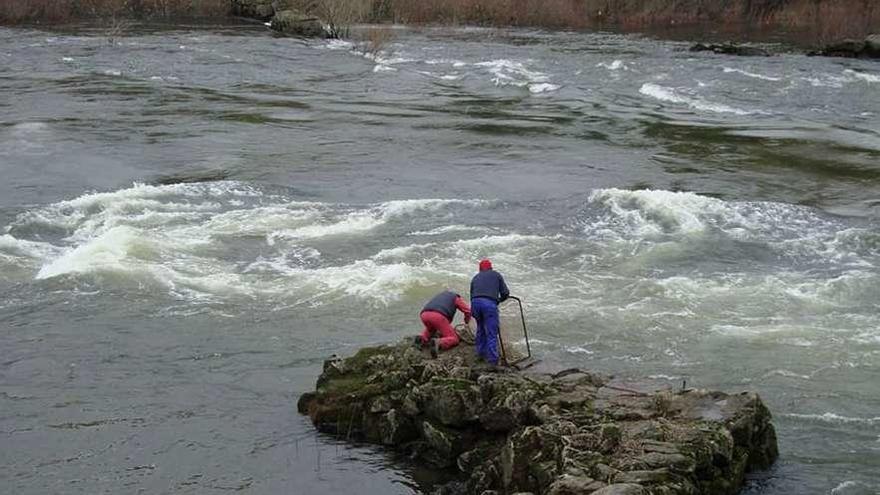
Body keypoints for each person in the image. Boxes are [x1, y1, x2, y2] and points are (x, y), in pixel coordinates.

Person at [470, 259, 509, 365]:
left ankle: (480, 354)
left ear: (480, 269)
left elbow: (472, 295)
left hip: (475, 304)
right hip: (488, 304)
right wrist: (498, 300)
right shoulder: (496, 275)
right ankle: (493, 362)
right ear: (491, 267)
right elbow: (505, 293)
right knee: (492, 332)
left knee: (480, 328)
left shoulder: (475, 278)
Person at [415, 290, 471, 358]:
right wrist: (467, 322)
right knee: (454, 339)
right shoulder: (456, 298)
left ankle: (422, 338)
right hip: (438, 316)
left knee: (431, 329)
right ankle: (439, 342)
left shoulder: (441, 296)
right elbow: (468, 311)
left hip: (424, 314)